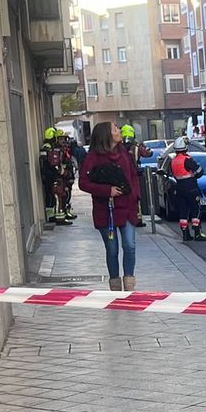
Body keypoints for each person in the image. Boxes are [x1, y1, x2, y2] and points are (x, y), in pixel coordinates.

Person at [79, 121, 142, 290]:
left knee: (129, 245)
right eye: (115, 129)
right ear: (107, 135)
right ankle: (115, 284)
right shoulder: (94, 157)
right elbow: (83, 183)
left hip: (127, 207)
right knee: (112, 249)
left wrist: (136, 195)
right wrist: (108, 190)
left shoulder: (125, 153)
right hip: (106, 211)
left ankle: (129, 282)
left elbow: (134, 176)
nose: (119, 130)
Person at [168, 138, 206, 242]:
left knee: (183, 211)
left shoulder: (173, 161)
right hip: (191, 187)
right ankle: (197, 233)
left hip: (179, 188)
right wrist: (196, 174)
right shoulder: (187, 159)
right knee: (196, 210)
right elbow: (199, 171)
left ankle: (185, 234)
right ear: (185, 147)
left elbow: (172, 174)